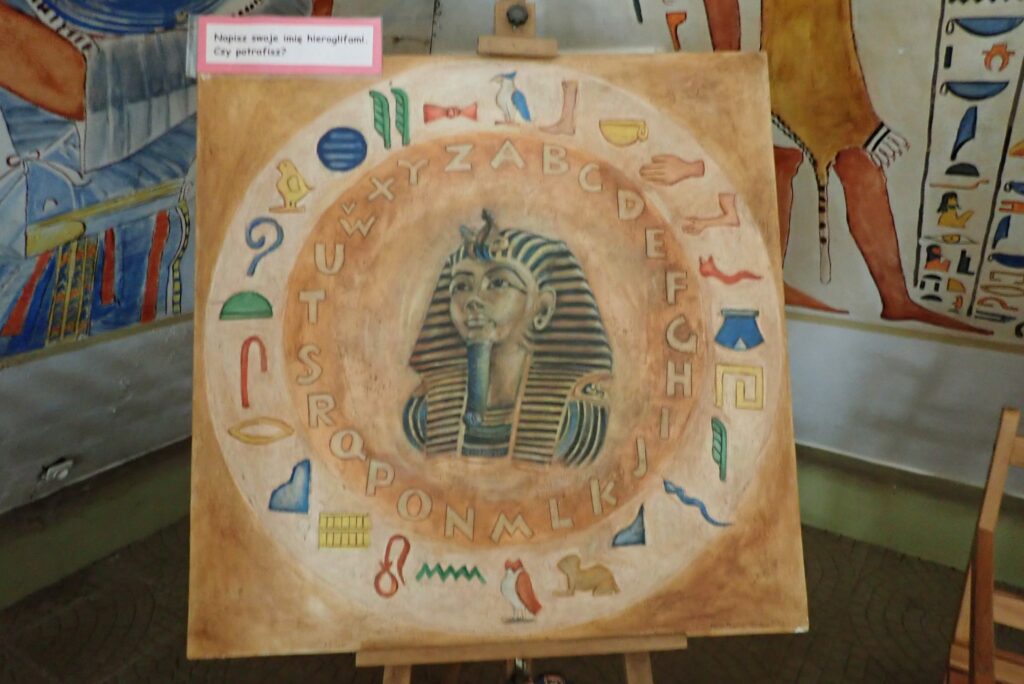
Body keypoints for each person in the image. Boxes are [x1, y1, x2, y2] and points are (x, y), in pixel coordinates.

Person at [403, 211, 612, 466]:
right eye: (461, 286)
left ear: (542, 309)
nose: (473, 300)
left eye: (498, 283)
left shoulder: (577, 419)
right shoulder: (424, 413)